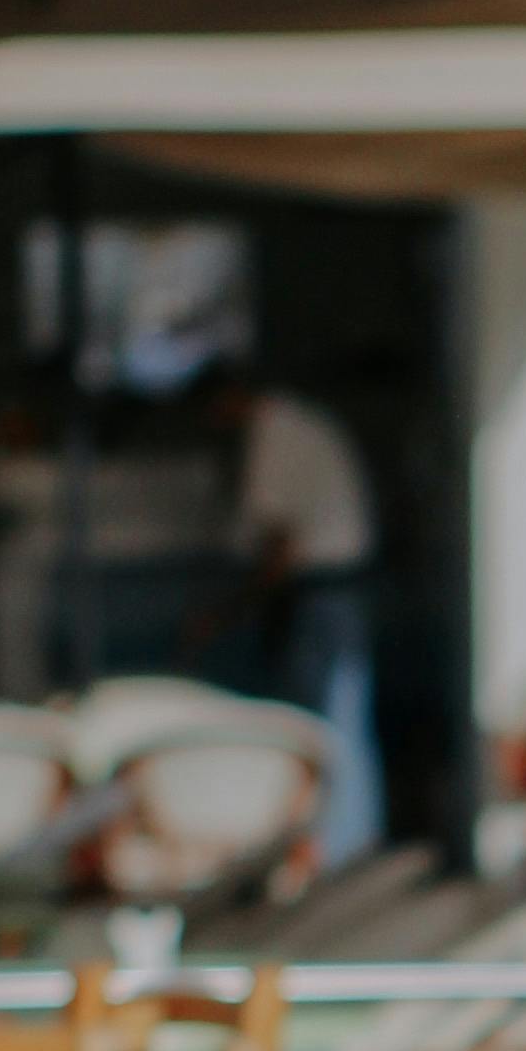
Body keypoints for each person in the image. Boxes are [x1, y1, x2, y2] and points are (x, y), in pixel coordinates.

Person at [222, 357, 384, 862]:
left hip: (322, 594)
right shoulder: (299, 426)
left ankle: (331, 852)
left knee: (316, 732)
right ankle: (340, 846)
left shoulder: (276, 431)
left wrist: (233, 607)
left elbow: (282, 542)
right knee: (340, 722)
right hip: (335, 592)